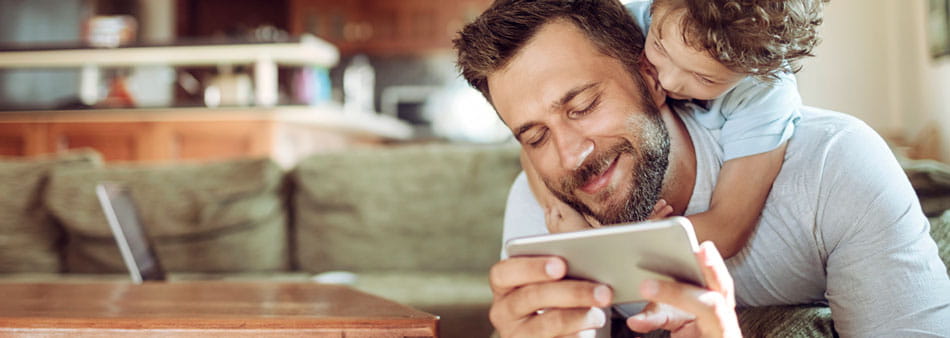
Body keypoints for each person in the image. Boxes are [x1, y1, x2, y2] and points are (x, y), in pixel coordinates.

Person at [453, 0, 950, 337]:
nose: (569, 156)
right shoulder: (541, 202)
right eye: (535, 136)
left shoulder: (834, 166)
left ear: (651, 78)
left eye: (583, 106)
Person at [525, 0, 823, 260]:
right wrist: (568, 218)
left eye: (704, 78)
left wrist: (629, 240)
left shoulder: (764, 92)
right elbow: (532, 128)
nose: (667, 81)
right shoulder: (627, 24)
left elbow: (727, 227)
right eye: (658, 47)